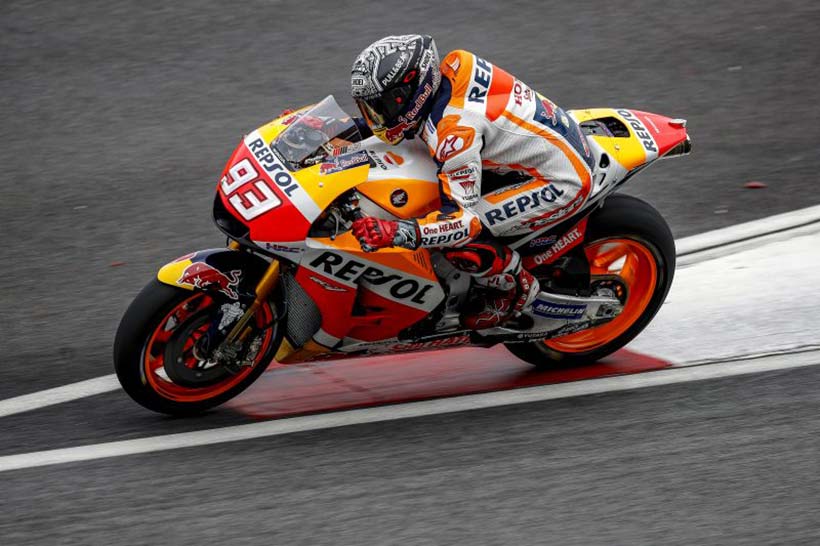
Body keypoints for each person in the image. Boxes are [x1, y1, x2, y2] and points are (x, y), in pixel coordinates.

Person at [350, 35, 595, 329]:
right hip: (538, 146)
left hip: (560, 180)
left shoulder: (454, 135)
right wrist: (342, 129)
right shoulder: (454, 65)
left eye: (383, 106)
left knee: (455, 240)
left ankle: (514, 289)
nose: (376, 117)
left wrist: (398, 232)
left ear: (414, 92)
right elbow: (395, 123)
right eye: (370, 108)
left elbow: (463, 223)